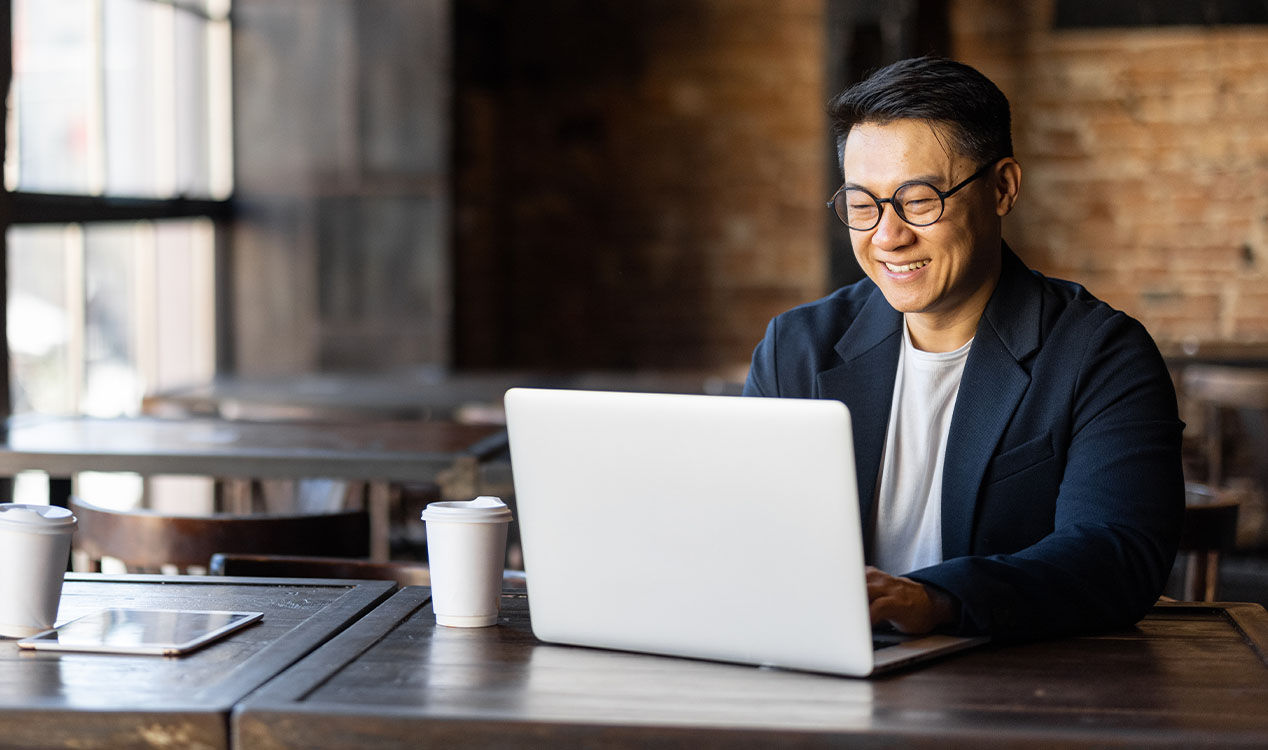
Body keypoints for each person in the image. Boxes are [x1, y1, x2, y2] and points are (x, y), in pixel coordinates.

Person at [743, 56, 1185, 640]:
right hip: (824, 667)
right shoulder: (797, 348)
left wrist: (936, 600)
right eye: (861, 205)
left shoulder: (1101, 355)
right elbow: (743, 531)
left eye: (920, 200)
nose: (887, 236)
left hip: (1011, 686)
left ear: (1003, 188)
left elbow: (1117, 555)